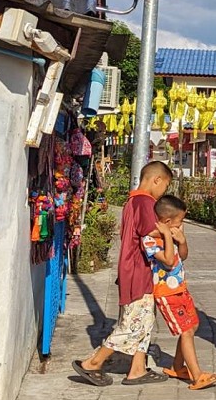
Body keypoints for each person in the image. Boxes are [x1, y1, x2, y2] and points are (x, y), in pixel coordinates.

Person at [72, 161, 173, 386]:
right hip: (139, 270)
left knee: (145, 323)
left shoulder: (132, 201)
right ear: (157, 180)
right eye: (165, 186)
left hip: (133, 269)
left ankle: (137, 369)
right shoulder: (145, 202)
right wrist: (171, 231)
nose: (163, 192)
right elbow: (152, 232)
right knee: (131, 325)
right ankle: (93, 363)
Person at [144, 195, 216, 390]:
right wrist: (168, 237)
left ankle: (178, 366)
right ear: (167, 221)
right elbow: (168, 261)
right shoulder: (150, 239)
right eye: (180, 221)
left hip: (180, 289)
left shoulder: (171, 234)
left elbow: (182, 256)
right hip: (166, 293)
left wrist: (182, 240)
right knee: (186, 331)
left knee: (193, 326)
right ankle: (197, 376)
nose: (181, 225)